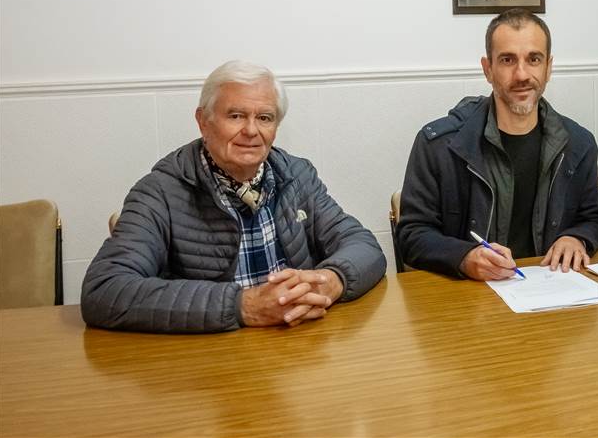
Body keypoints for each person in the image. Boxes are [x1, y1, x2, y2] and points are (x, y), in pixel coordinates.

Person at [81, 61, 386, 333]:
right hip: (208, 358)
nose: (251, 130)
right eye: (236, 115)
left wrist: (330, 281)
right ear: (203, 121)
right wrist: (244, 306)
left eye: (264, 118)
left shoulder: (296, 176)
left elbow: (363, 245)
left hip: (297, 346)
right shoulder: (160, 191)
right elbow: (104, 290)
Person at [397, 8, 598, 279]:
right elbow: (411, 235)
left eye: (534, 59)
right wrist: (464, 257)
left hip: (550, 288)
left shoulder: (579, 144)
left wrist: (577, 238)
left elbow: (594, 220)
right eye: (507, 60)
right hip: (470, 295)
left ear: (548, 67)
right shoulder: (438, 145)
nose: (521, 74)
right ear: (488, 69)